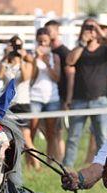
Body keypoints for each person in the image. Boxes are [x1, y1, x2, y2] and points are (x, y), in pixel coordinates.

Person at [62, 17, 107, 168]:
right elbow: (70, 61)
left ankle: (104, 166)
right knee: (73, 136)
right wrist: (82, 43)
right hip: (79, 100)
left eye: (93, 27)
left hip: (100, 99)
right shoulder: (79, 49)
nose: (91, 30)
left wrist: (102, 34)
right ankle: (67, 167)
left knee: (102, 137)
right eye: (87, 27)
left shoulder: (105, 50)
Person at [0, 35, 38, 170]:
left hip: (22, 103)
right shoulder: (6, 65)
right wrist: (5, 57)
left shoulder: (26, 64)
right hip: (9, 104)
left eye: (18, 46)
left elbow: (25, 78)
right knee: (9, 138)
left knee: (26, 138)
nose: (15, 49)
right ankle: (22, 165)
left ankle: (37, 165)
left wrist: (21, 59)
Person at [29, 28, 63, 162]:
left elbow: (57, 77)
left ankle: (50, 160)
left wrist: (47, 63)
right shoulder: (31, 57)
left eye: (45, 41)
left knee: (51, 132)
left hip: (52, 98)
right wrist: (36, 60)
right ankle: (31, 161)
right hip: (35, 97)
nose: (43, 44)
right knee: (32, 130)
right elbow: (31, 77)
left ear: (50, 42)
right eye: (40, 41)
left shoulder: (55, 57)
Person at [45, 20, 71, 161]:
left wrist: (67, 99)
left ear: (57, 31)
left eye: (50, 30)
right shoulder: (48, 52)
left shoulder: (64, 52)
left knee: (58, 131)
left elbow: (68, 77)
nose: (48, 34)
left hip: (61, 95)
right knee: (51, 131)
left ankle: (59, 158)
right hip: (50, 95)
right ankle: (52, 157)